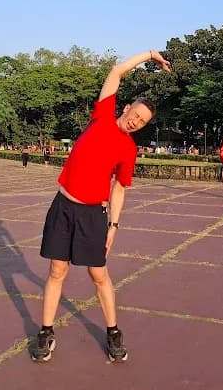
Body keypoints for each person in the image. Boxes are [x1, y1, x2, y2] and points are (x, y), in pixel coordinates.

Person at [31, 49, 171, 364]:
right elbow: (117, 70)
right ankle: (46, 331)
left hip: (93, 215)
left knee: (98, 274)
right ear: (127, 107)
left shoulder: (129, 149)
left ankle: (113, 332)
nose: (136, 122)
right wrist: (150, 55)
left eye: (142, 122)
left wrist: (114, 226)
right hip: (63, 207)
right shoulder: (102, 115)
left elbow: (119, 188)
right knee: (56, 270)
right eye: (136, 114)